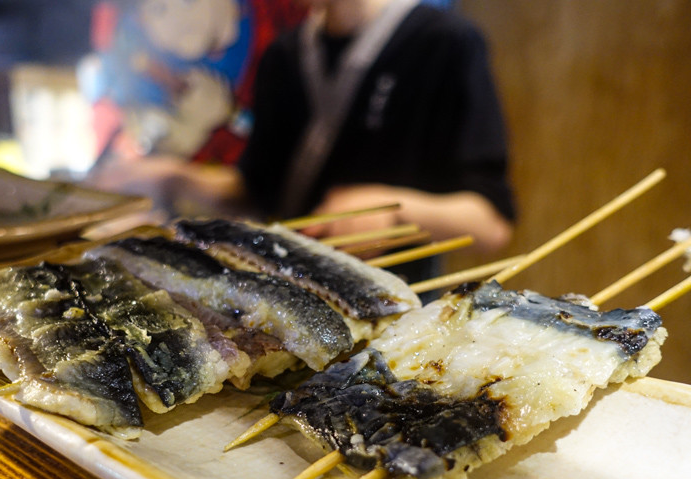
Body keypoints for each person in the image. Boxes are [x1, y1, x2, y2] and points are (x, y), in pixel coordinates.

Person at [91, 0, 515, 274]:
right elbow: (257, 191)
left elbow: (491, 224)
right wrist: (170, 177)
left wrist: (392, 210)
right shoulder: (286, 53)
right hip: (280, 297)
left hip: (392, 317)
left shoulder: (446, 42)